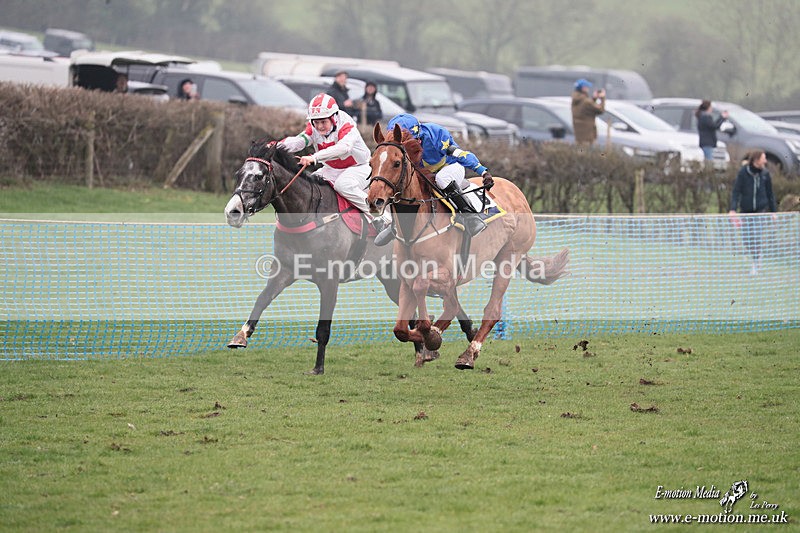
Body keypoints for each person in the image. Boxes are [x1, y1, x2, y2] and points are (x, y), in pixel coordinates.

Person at [278, 93, 389, 243]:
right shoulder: (314, 127)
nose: (319, 126)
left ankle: (383, 217)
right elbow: (299, 141)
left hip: (361, 168)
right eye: (316, 122)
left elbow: (343, 148)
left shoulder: (347, 125)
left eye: (323, 122)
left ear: (334, 117)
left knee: (343, 185)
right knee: (309, 184)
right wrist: (273, 147)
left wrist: (314, 158)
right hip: (332, 170)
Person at [386, 113, 494, 237]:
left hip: (451, 167)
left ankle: (471, 216)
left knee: (441, 179)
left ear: (419, 136)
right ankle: (395, 225)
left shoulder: (436, 134)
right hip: (425, 174)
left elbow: (460, 154)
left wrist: (483, 172)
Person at [729, 150, 777, 275]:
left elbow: (770, 194)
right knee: (747, 239)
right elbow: (736, 192)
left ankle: (755, 264)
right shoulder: (743, 173)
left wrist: (773, 212)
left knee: (756, 237)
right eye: (763, 158)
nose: (765, 161)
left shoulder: (765, 174)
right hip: (746, 212)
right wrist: (733, 209)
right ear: (756, 160)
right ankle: (756, 255)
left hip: (760, 212)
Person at [571, 78, 605, 145]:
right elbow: (600, 110)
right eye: (586, 87)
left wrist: (594, 98)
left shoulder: (576, 99)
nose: (588, 89)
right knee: (587, 150)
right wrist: (602, 98)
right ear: (583, 88)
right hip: (588, 137)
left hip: (579, 136)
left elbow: (586, 109)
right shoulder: (586, 101)